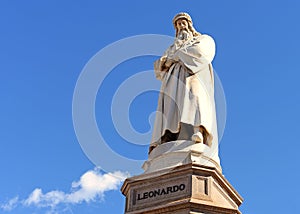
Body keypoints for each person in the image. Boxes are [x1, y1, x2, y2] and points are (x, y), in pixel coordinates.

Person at [149, 12, 218, 154]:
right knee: (171, 106)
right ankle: (169, 136)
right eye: (178, 24)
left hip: (193, 75)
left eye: (183, 23)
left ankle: (197, 130)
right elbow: (160, 66)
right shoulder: (171, 48)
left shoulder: (202, 39)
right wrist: (168, 60)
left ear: (189, 24)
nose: (181, 26)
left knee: (194, 98)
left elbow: (201, 52)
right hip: (173, 79)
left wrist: (177, 56)